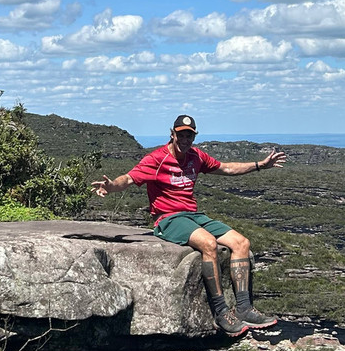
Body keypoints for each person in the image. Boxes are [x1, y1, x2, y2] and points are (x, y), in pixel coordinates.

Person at [92, 114, 287, 337]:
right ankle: (221, 312)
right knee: (208, 243)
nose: (185, 139)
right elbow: (128, 179)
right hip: (168, 219)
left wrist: (259, 165)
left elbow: (226, 168)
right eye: (181, 135)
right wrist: (111, 186)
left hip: (193, 215)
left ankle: (244, 308)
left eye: (190, 135)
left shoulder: (196, 156)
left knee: (242, 243)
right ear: (172, 134)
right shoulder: (157, 159)